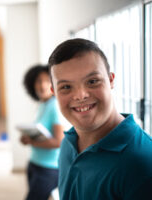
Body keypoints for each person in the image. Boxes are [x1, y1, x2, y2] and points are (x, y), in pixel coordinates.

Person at [48, 38, 152, 200]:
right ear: (54, 92)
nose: (81, 95)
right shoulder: (68, 142)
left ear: (111, 80)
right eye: (66, 87)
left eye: (92, 81)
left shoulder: (142, 162)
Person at [20, 65, 65, 200]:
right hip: (35, 163)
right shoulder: (41, 104)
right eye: (39, 81)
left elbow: (59, 141)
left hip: (49, 168)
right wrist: (28, 137)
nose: (43, 85)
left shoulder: (55, 106)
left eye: (47, 81)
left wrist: (31, 141)